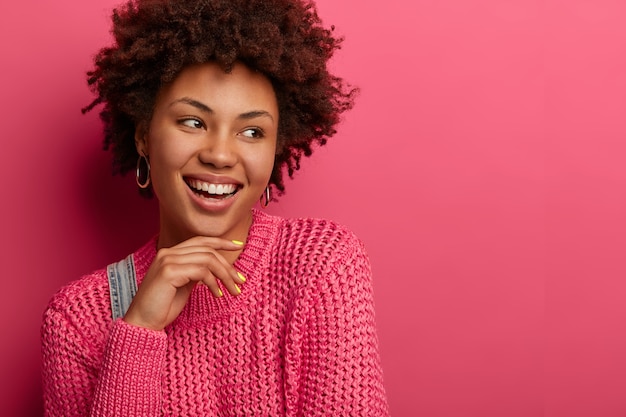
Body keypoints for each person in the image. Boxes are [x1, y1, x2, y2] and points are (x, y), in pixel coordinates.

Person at [41, 0, 389, 415]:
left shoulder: (321, 265)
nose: (221, 155)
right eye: (193, 122)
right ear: (143, 136)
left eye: (252, 131)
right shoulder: (78, 320)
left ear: (275, 150)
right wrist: (138, 332)